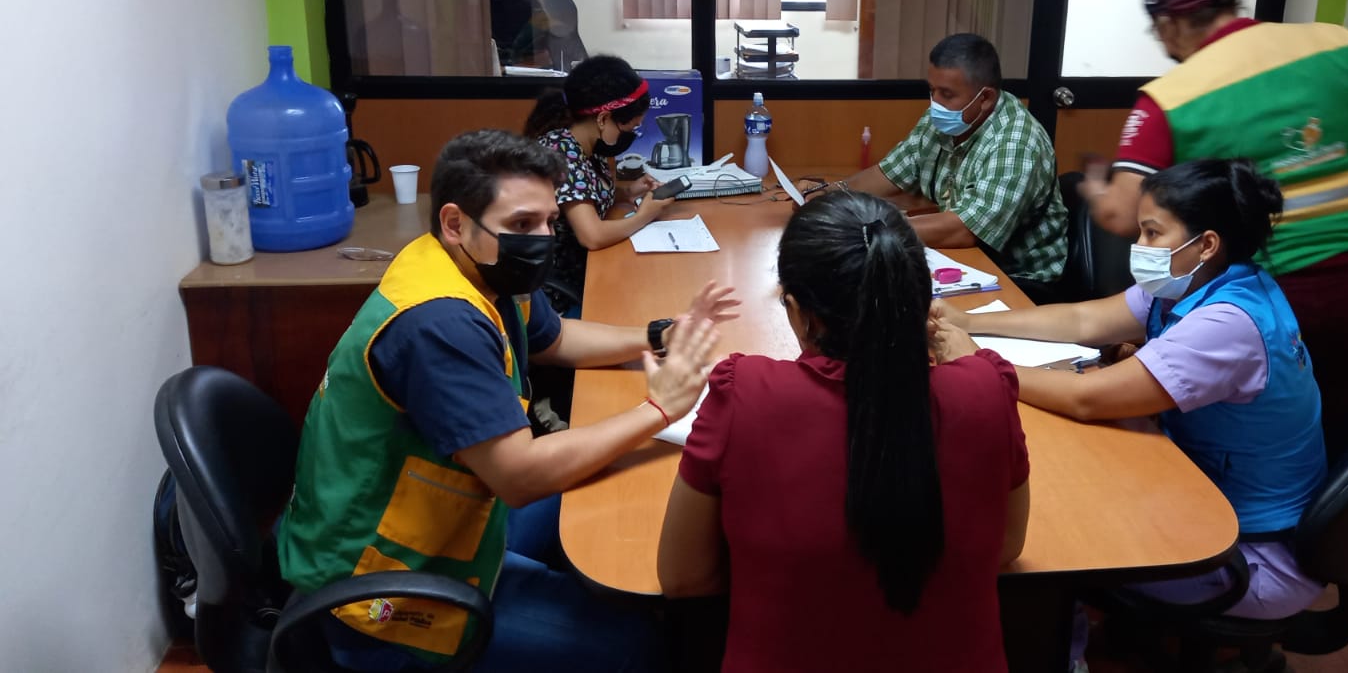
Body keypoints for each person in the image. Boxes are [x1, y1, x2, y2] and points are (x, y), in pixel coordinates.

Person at [276, 129, 739, 673]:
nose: (541, 239)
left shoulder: (478, 266)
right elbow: (519, 477)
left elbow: (555, 339)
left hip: (447, 511)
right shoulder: (440, 322)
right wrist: (657, 410)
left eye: (548, 221)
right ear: (455, 223)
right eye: (522, 225)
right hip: (382, 586)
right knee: (637, 644)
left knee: (610, 495)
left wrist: (657, 335)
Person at [1084, 0, 1348, 635]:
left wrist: (1098, 189)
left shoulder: (1171, 98)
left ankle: (1218, 555)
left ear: (1167, 23)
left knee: (1224, 420)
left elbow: (1125, 214)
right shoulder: (1340, 47)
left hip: (1265, 298)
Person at [933, 159, 1327, 668]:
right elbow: (1083, 319)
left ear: (1206, 244)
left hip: (1250, 557)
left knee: (1053, 538)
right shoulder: (1199, 282)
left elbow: (1087, 398)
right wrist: (969, 321)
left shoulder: (1228, 323)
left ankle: (1062, 658)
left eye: (1153, 232)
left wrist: (980, 364)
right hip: (1208, 497)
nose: (1139, 245)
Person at [657, 190, 1031, 673]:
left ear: (799, 311)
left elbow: (684, 578)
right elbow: (1006, 548)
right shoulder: (987, 389)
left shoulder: (746, 395)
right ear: (920, 304)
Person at [842, 32, 1070, 304]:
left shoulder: (1017, 142)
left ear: (985, 98)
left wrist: (870, 229)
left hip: (1019, 283)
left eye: (946, 94)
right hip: (967, 264)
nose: (935, 103)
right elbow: (890, 173)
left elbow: (964, 230)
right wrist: (829, 195)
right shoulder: (948, 118)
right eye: (932, 90)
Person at [523, 55, 675, 317]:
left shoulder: (586, 144)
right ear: (603, 118)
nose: (631, 135)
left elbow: (583, 197)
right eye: (630, 128)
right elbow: (591, 235)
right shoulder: (562, 154)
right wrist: (645, 215)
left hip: (588, 270)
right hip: (558, 297)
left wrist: (627, 192)